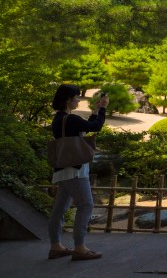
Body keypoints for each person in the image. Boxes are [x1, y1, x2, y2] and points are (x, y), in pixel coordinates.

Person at [48, 84, 108, 261]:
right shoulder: (71, 119)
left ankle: (56, 245)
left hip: (63, 168)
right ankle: (80, 247)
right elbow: (95, 127)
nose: (79, 100)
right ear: (68, 99)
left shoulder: (59, 119)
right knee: (86, 205)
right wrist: (103, 108)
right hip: (75, 169)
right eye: (76, 97)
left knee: (59, 208)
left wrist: (96, 110)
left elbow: (88, 125)